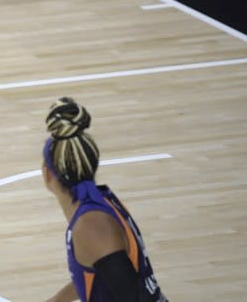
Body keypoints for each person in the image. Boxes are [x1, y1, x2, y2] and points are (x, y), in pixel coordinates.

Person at [42, 97, 167, 302]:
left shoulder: (91, 225)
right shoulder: (99, 204)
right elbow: (101, 272)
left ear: (47, 173)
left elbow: (133, 297)